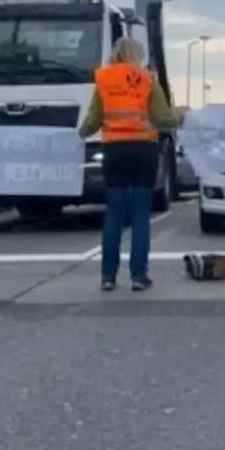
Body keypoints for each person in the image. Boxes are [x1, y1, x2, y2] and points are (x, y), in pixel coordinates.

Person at [79, 36, 181, 292]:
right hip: (143, 151)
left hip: (114, 151)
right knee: (140, 215)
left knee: (114, 214)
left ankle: (108, 276)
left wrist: (78, 133)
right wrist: (180, 115)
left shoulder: (104, 79)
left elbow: (92, 121)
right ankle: (138, 276)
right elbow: (163, 118)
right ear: (138, 54)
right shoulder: (148, 79)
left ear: (115, 53)